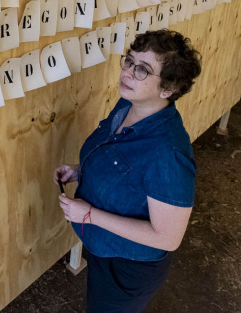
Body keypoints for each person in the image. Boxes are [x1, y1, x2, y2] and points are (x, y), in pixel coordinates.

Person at [54, 30, 202, 313]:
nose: (129, 73)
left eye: (143, 70)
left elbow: (167, 238)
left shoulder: (168, 154)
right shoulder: (129, 104)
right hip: (104, 246)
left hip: (128, 266)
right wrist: (79, 170)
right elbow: (119, 160)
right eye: (130, 61)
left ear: (168, 89)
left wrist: (89, 215)